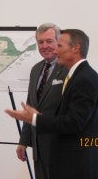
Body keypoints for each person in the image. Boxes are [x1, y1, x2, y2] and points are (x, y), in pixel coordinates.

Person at [6, 29, 98, 179]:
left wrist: (35, 118)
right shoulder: (40, 70)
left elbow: (74, 122)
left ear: (75, 48)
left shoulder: (83, 77)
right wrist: (25, 139)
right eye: (40, 42)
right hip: (45, 149)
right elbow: (32, 104)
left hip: (73, 157)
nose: (53, 49)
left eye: (56, 44)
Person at [17, 23, 67, 179]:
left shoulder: (68, 68)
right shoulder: (36, 69)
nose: (44, 46)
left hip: (61, 148)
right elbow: (30, 107)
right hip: (38, 148)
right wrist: (23, 141)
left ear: (59, 42)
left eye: (49, 41)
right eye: (40, 42)